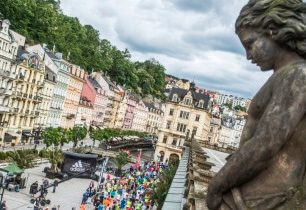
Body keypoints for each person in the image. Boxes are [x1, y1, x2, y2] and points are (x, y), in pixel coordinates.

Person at [206, 0, 306, 209]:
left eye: (250, 44)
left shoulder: (298, 74)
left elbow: (265, 145)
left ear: (272, 31)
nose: (248, 55)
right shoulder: (287, 75)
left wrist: (216, 185)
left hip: (262, 200)